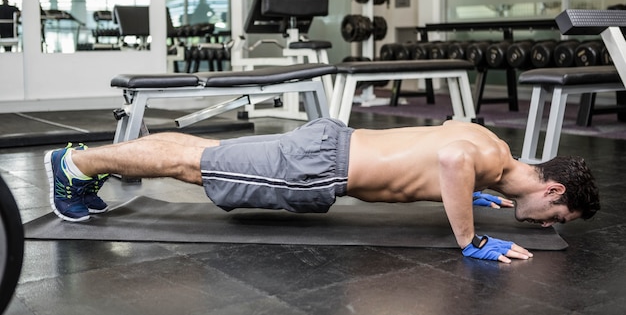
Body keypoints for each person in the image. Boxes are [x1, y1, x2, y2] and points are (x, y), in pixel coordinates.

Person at [44, 118, 600, 263]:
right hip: (319, 168)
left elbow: (449, 143)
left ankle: (86, 166)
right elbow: (451, 158)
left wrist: (468, 191)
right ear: (552, 191)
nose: (548, 226)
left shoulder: (491, 149)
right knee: (197, 166)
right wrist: (471, 240)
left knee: (202, 156)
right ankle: (76, 163)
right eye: (558, 218)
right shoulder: (480, 159)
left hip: (330, 150)